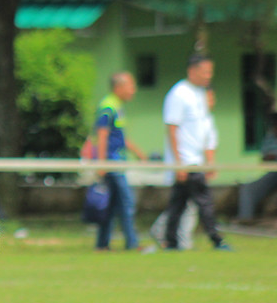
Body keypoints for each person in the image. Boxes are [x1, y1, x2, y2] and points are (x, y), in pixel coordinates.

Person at [162, 57, 231, 251]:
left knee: (179, 204)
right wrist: (178, 163)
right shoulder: (179, 94)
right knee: (204, 201)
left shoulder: (201, 95)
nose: (209, 76)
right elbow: (172, 129)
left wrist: (209, 161)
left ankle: (170, 241)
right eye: (205, 71)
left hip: (197, 161)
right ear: (192, 71)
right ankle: (216, 240)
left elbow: (206, 132)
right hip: (186, 161)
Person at [92, 72, 147, 251]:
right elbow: (102, 134)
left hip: (117, 161)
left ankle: (102, 244)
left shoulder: (116, 106)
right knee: (126, 201)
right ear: (119, 87)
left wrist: (138, 152)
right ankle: (132, 243)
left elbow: (120, 137)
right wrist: (101, 163)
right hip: (111, 162)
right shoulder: (108, 106)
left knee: (112, 204)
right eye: (130, 86)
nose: (133, 90)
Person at [237, 112, 277, 222]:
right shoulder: (270, 136)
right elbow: (264, 156)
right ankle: (245, 219)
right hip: (273, 173)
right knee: (248, 189)